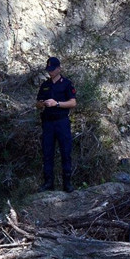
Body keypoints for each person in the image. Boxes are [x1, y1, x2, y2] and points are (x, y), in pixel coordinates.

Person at [35, 56, 76, 193]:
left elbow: (73, 102)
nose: (50, 72)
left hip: (61, 122)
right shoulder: (45, 85)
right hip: (48, 123)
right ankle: (48, 183)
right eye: (48, 69)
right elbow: (37, 104)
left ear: (59, 68)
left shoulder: (67, 84)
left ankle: (67, 184)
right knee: (47, 152)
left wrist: (57, 103)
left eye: (52, 69)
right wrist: (42, 104)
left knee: (65, 152)